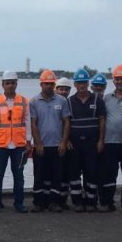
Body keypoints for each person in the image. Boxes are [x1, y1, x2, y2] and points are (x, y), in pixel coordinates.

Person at [0, 70, 32, 213]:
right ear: (3, 84)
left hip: (19, 145)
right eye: (7, 83)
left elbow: (27, 122)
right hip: (1, 145)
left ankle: (19, 203)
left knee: (19, 176)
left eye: (12, 83)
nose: (10, 85)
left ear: (16, 84)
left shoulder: (24, 101)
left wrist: (28, 141)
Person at [30, 69, 71, 212]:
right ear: (41, 84)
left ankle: (54, 202)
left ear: (54, 85)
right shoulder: (34, 101)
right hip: (41, 146)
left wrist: (64, 142)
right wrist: (38, 143)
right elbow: (33, 123)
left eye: (51, 84)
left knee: (57, 175)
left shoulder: (62, 101)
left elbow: (66, 122)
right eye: (46, 83)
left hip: (57, 145)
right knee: (39, 175)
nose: (48, 86)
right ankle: (39, 202)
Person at [68, 69, 107, 211]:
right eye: (79, 83)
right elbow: (65, 122)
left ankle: (91, 201)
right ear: (75, 84)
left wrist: (101, 140)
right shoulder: (69, 101)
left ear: (88, 83)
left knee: (91, 172)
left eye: (84, 82)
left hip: (92, 143)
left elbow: (102, 121)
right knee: (74, 172)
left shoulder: (97, 100)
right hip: (75, 144)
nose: (82, 85)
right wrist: (66, 140)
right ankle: (77, 202)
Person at [100, 64, 122, 212]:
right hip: (109, 142)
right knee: (109, 173)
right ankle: (107, 202)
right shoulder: (106, 98)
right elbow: (102, 119)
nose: (120, 81)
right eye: (117, 79)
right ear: (113, 80)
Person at [55, 77, 76, 208]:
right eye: (61, 89)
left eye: (66, 89)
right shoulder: (54, 103)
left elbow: (68, 123)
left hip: (68, 144)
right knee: (57, 172)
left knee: (66, 172)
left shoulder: (70, 103)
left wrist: (67, 140)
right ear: (55, 89)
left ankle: (63, 199)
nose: (63, 92)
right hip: (56, 143)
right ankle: (55, 199)